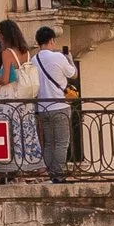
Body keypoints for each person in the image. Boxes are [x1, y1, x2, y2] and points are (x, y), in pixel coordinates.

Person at [0, 18, 41, 168]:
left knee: (10, 132)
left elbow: (6, 79)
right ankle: (29, 166)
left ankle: (14, 168)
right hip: (25, 99)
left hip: (11, 98)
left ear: (4, 35)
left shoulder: (7, 53)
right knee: (26, 132)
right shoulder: (26, 52)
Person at [35, 26, 77, 183]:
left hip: (42, 107)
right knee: (61, 142)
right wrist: (70, 59)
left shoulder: (34, 60)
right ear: (52, 40)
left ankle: (48, 173)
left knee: (49, 143)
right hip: (60, 106)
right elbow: (73, 74)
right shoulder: (59, 57)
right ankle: (57, 174)